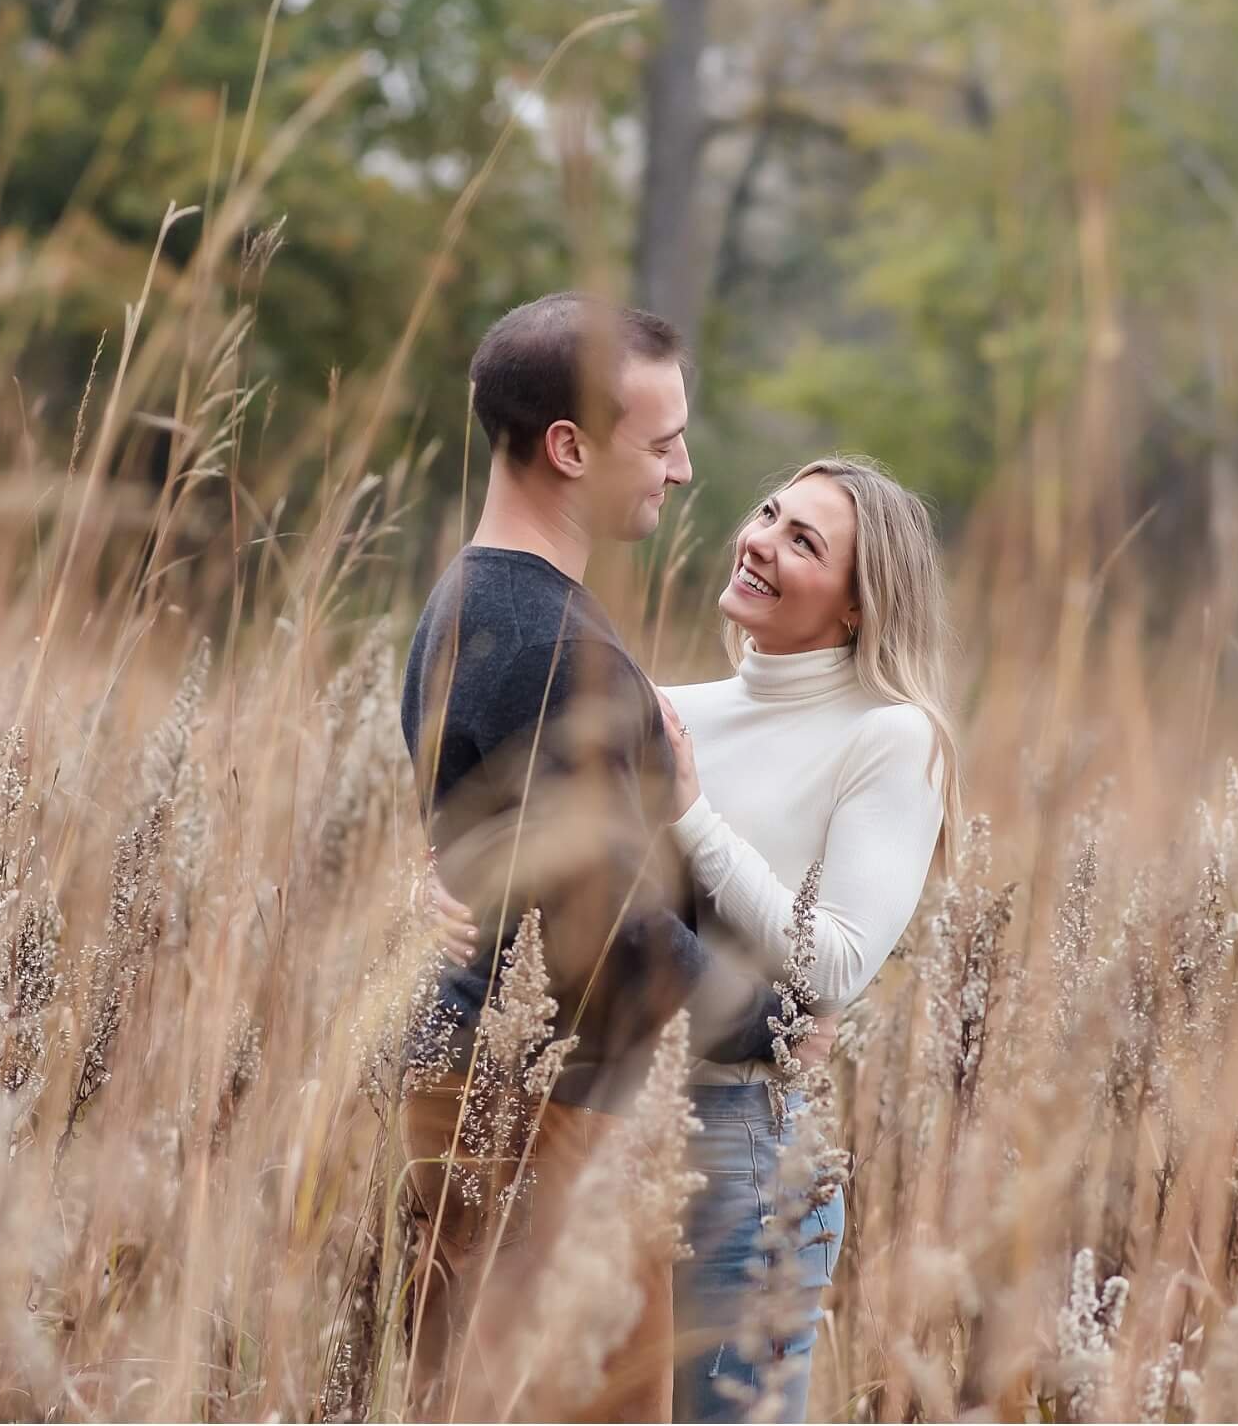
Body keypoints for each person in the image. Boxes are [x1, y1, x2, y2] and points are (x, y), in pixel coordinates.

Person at [397, 291, 810, 1423]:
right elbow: (601, 925)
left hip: (488, 1085)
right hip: (543, 1111)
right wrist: (776, 1026)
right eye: (662, 442)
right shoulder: (547, 641)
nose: (681, 472)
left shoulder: (470, 602)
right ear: (569, 447)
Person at [656, 456, 959, 1423]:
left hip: (750, 1151)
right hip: (618, 1128)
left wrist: (692, 814)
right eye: (768, 514)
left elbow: (835, 958)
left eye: (804, 542)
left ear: (860, 605)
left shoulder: (893, 736)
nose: (761, 542)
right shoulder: (671, 711)